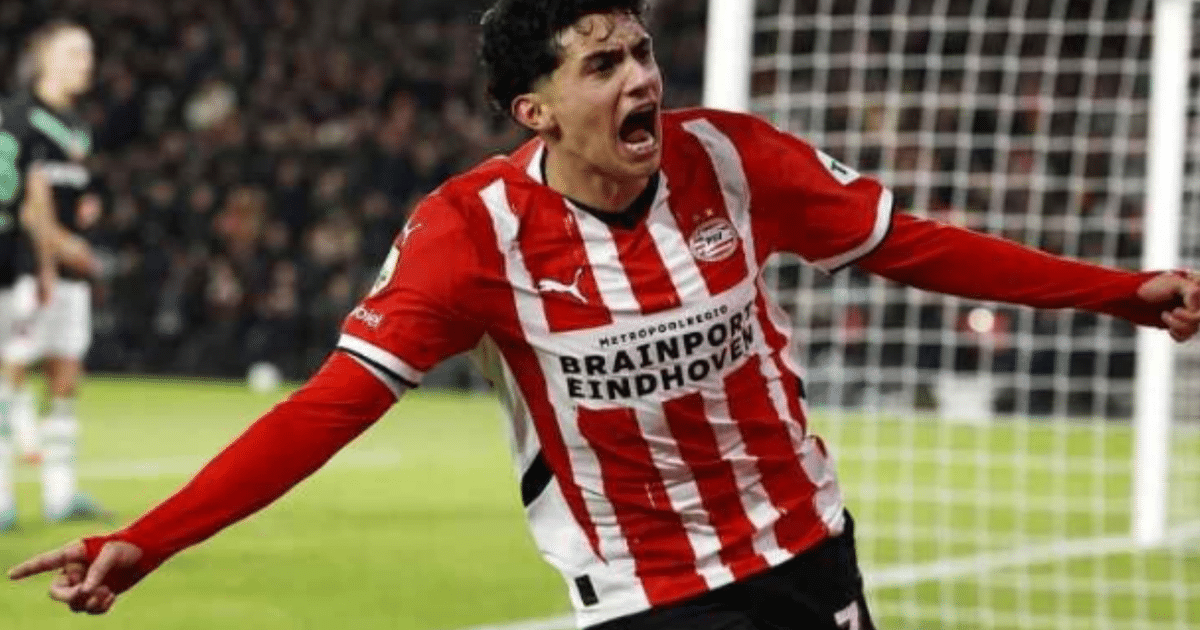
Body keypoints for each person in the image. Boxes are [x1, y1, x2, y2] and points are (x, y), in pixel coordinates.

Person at [8, 1, 1200, 626]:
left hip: (803, 544)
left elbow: (913, 247)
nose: (642, 77)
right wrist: (152, 536)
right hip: (643, 591)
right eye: (602, 63)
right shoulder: (464, 237)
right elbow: (329, 407)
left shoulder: (734, 159)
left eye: (640, 47)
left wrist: (1122, 296)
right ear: (534, 110)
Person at [0, 20, 105, 531]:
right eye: (75, 53)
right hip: (28, 267)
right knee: (11, 370)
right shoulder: (18, 118)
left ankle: (60, 495)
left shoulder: (78, 124)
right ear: (45, 58)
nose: (86, 62)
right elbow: (19, 198)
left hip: (70, 274)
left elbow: (65, 188)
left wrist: (87, 206)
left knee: (65, 374)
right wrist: (56, 249)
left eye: (88, 53)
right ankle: (1, 499)